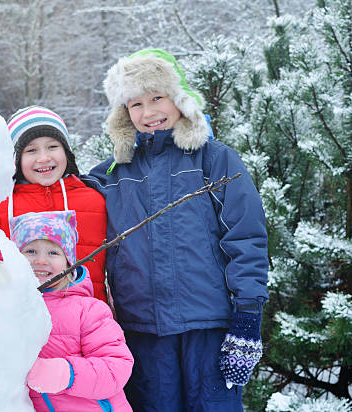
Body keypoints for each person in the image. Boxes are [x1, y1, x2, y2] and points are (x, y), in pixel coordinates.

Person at [82, 48, 269, 412]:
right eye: (135, 104)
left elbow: (245, 238)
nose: (148, 112)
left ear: (179, 99)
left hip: (209, 328)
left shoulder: (215, 160)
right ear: (124, 114)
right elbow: (59, 211)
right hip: (142, 333)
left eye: (157, 98)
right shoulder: (109, 176)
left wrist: (248, 314)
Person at [10, 210, 133, 412]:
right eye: (30, 251)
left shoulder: (89, 310)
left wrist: (67, 374)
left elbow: (116, 367)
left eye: (53, 252)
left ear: (68, 262)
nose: (41, 260)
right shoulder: (6, 308)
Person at [0, 106, 108, 303]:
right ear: (16, 159)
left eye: (52, 147)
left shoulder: (94, 201)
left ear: (66, 152)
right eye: (31, 150)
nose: (44, 158)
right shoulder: (0, 207)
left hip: (87, 321)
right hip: (21, 319)